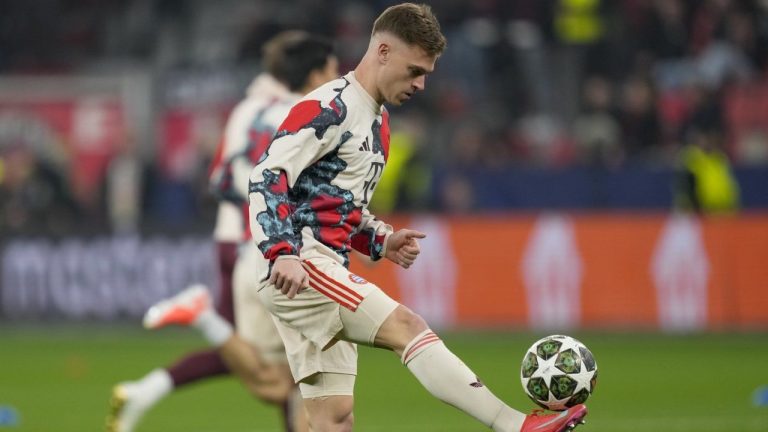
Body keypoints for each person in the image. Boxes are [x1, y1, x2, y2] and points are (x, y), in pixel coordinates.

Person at [148, 4, 588, 431]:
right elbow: (267, 176)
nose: (420, 85)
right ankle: (516, 425)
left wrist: (380, 240)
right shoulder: (329, 107)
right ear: (382, 52)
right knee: (407, 327)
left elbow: (336, 205)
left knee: (332, 419)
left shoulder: (377, 122)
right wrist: (281, 252)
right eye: (415, 71)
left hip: (318, 266)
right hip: (301, 266)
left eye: (426, 75)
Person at [106, 31, 339, 432]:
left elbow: (219, 178)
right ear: (314, 71)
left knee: (271, 367)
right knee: (276, 371)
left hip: (232, 238)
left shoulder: (247, 109)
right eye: (334, 69)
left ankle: (144, 390)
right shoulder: (313, 115)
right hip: (275, 246)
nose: (340, 77)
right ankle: (197, 322)